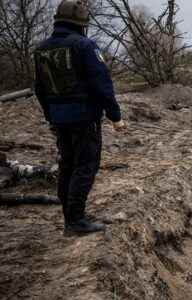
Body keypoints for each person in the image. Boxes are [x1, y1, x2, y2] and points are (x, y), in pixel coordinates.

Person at [34, 0, 125, 236]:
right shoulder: (84, 46)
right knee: (85, 165)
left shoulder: (41, 49)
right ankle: (75, 221)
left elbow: (40, 88)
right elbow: (101, 83)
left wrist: (50, 115)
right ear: (81, 23)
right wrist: (115, 116)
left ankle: (71, 216)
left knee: (67, 165)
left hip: (59, 118)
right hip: (85, 118)